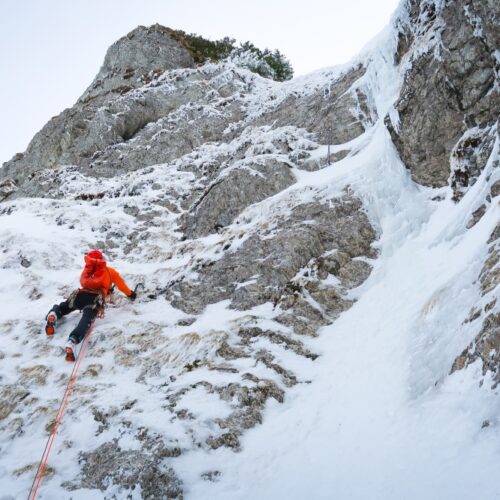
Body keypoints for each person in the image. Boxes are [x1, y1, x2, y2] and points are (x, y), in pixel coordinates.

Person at [45, 249, 136, 361]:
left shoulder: (88, 270)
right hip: (94, 300)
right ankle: (73, 340)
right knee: (86, 318)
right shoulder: (109, 271)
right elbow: (122, 286)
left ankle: (54, 314)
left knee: (64, 307)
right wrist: (131, 294)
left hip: (79, 295)